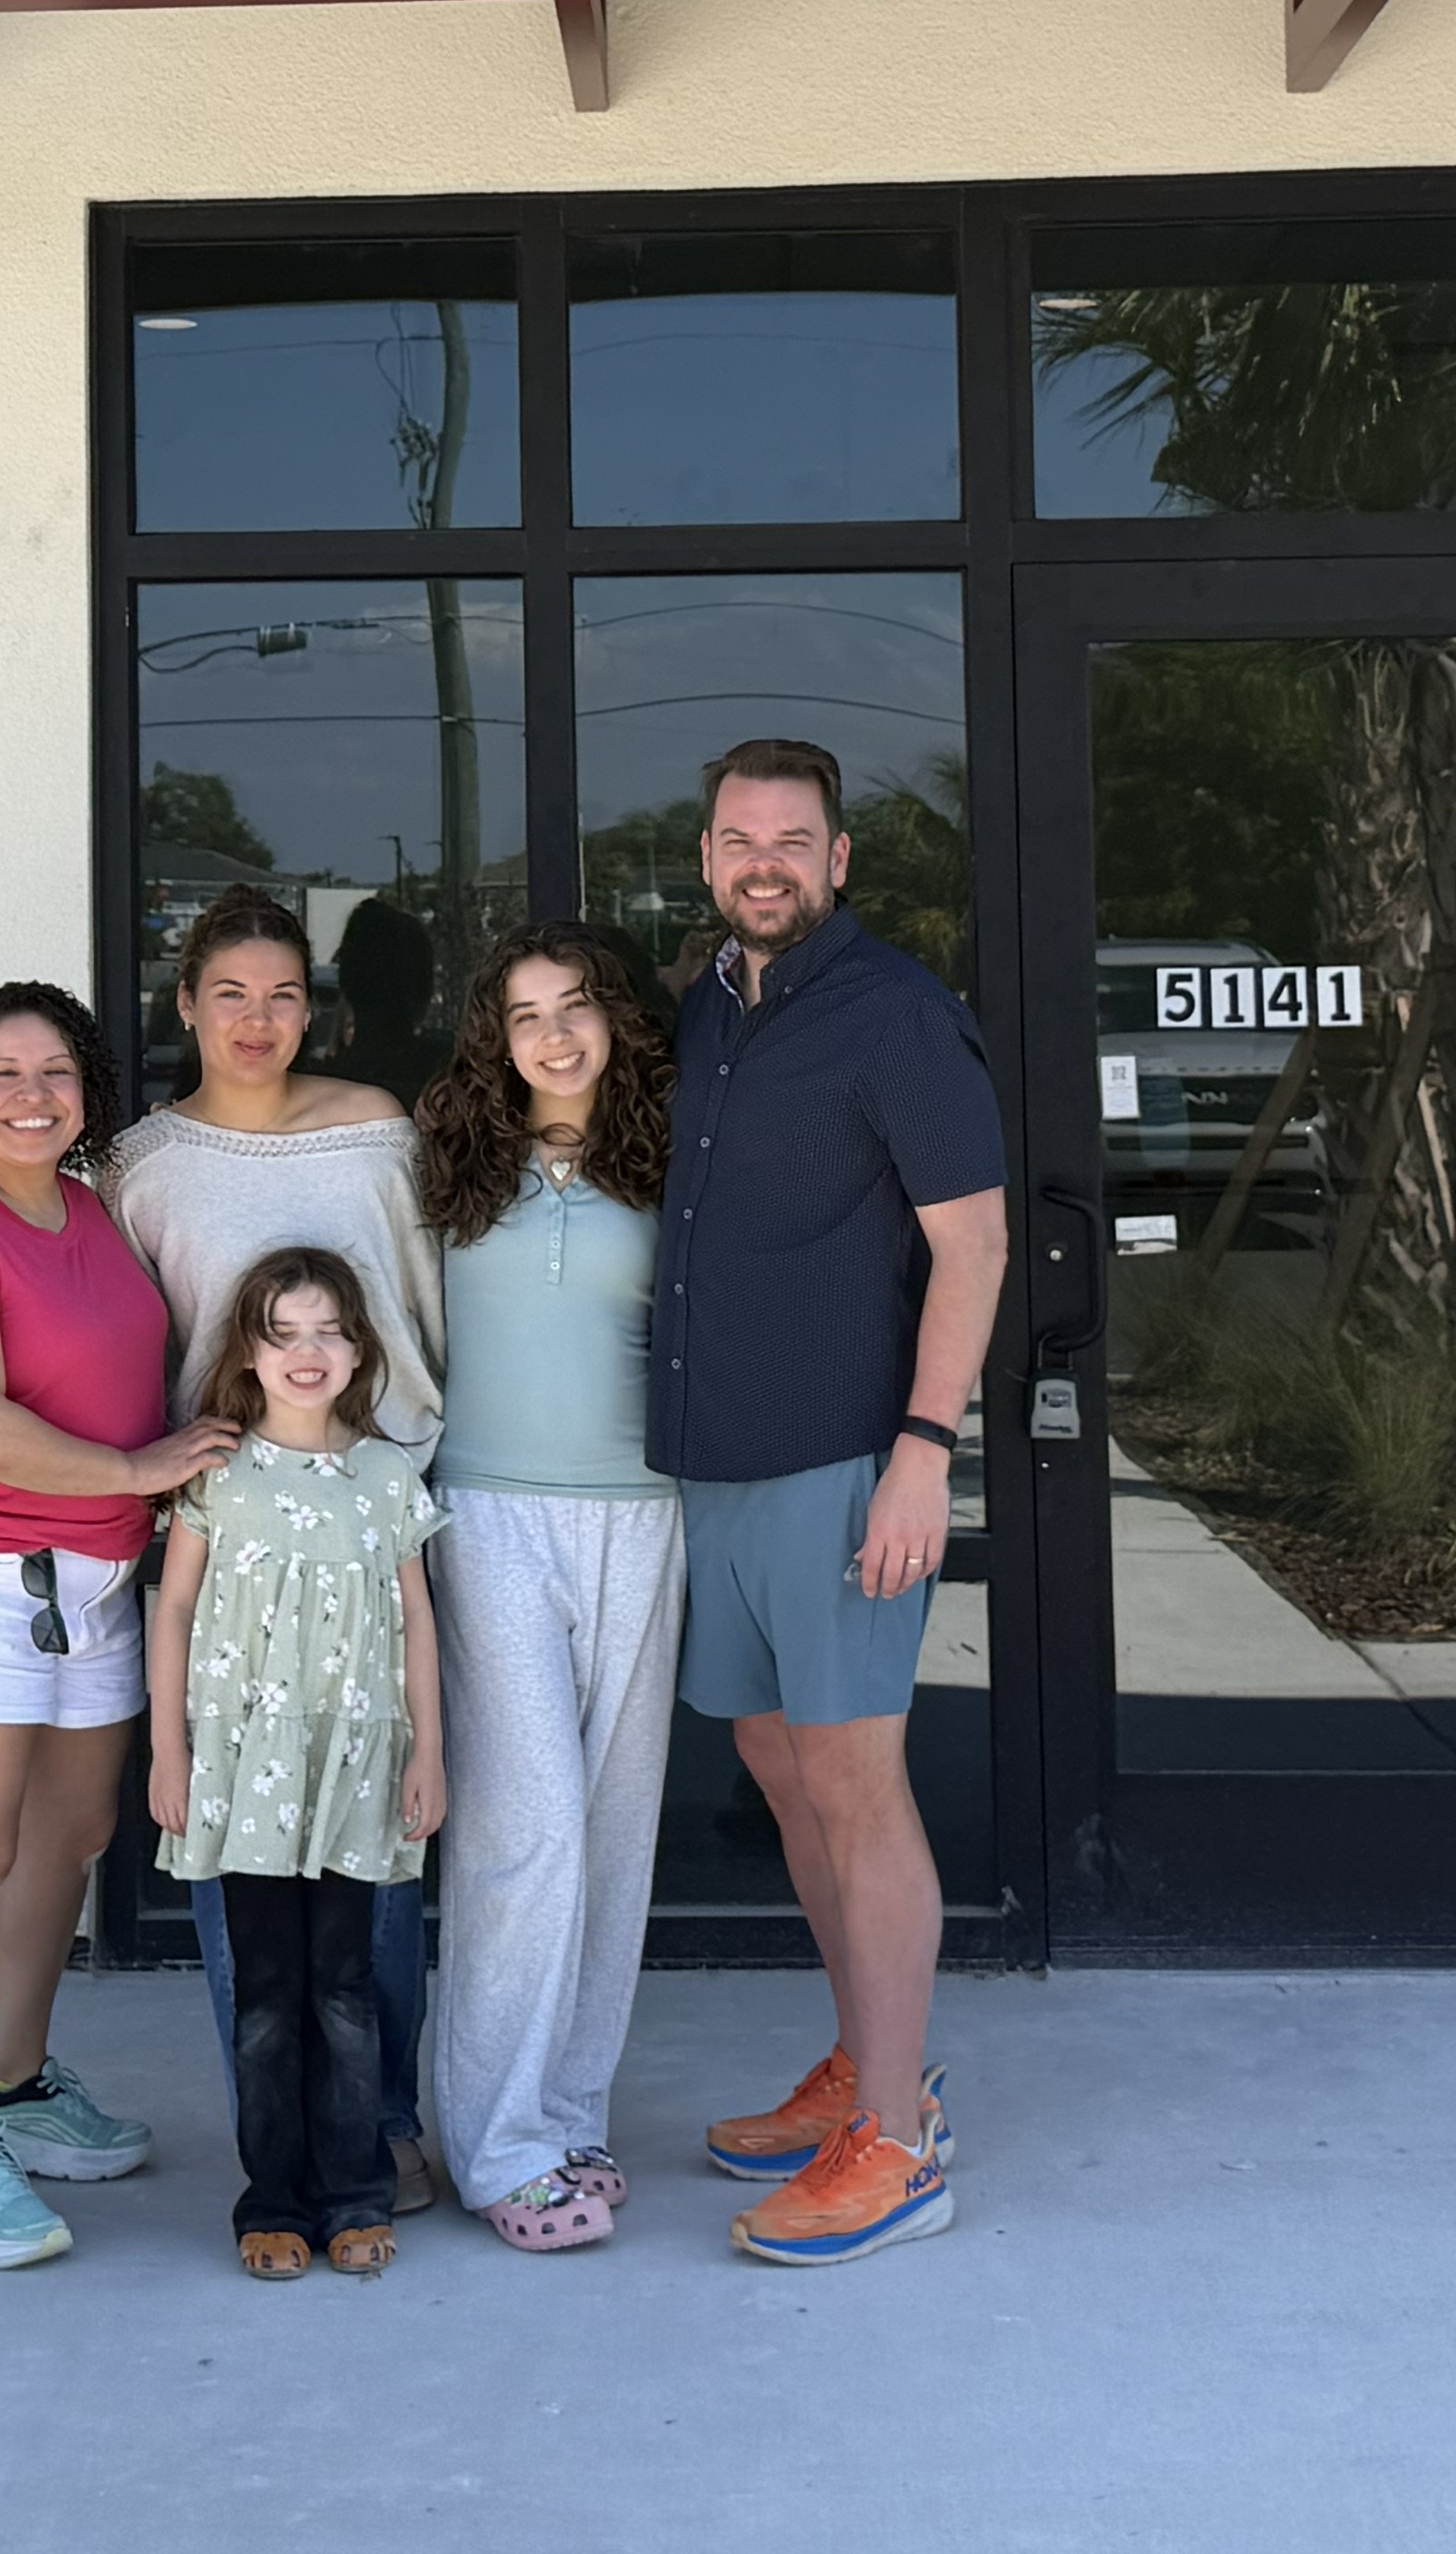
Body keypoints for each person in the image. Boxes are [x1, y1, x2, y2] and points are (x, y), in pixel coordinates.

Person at [652, 738, 1007, 2269]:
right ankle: (868, 2067)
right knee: (780, 1767)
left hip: (846, 1465)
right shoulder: (705, 1013)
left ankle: (901, 2143)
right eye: (739, 837)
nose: (764, 862)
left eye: (791, 839)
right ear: (708, 851)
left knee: (855, 1782)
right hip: (713, 1465)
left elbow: (974, 1244)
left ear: (839, 857)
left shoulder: (896, 1013)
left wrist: (925, 1444)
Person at [0, 981, 236, 2270]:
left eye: (56, 1072)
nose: (33, 1095)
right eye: (2, 1075)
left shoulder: (91, 1208)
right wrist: (148, 1471)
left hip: (92, 1575)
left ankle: (15, 2077)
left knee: (70, 1837)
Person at [103, 887, 450, 2212]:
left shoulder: (377, 1131)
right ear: (186, 1002)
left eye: (286, 993)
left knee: (380, 1839)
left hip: (379, 1507)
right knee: (235, 1855)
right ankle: (281, 2142)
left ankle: (388, 2121)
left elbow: (427, 1311)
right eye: (231, 993)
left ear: (319, 1005)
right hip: (230, 1534)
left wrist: (409, 1456)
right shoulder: (142, 1163)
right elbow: (140, 1348)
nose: (260, 1020)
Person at [411, 925, 682, 2252]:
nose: (554, 1035)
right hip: (489, 1513)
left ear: (617, 1018)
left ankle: (569, 2113)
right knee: (527, 1832)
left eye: (576, 1007)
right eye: (524, 1015)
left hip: (647, 1514)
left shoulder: (677, 1157)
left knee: (615, 1829)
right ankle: (497, 2145)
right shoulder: (450, 1164)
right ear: (494, 1038)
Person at [143, 1246, 450, 2278]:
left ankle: (356, 2192)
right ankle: (270, 2198)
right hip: (243, 1776)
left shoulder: (385, 1477)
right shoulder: (219, 1474)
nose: (307, 1353)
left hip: (355, 1772)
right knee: (269, 1993)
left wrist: (429, 1757)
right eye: (283, 1334)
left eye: (327, 1331)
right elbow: (174, 1608)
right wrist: (171, 1754)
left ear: (361, 1349)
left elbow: (416, 1621)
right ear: (249, 1353)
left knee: (348, 1990)